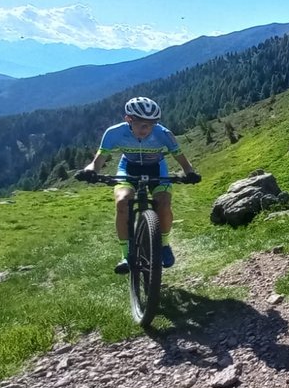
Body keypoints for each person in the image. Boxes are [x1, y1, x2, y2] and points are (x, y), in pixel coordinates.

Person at [77, 97, 200, 274]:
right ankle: (126, 255)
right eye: (142, 125)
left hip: (156, 169)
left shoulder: (163, 133)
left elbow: (182, 160)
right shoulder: (114, 133)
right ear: (129, 119)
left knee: (164, 204)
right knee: (122, 202)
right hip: (128, 168)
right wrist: (89, 171)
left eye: (150, 125)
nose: (147, 130)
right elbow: (98, 161)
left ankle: (164, 245)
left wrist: (190, 173)